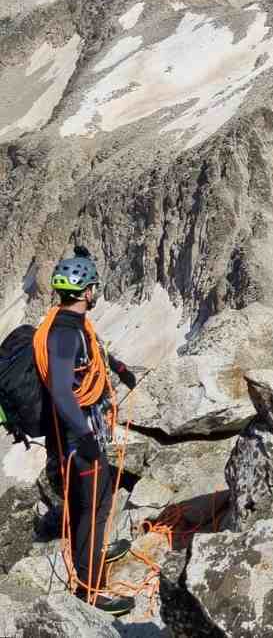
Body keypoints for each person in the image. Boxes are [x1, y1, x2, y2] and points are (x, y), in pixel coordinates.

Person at [35, 248, 138, 616]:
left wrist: (120, 368)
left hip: (84, 433)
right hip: (78, 439)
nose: (96, 293)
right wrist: (86, 438)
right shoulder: (63, 335)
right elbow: (63, 390)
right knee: (92, 506)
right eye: (94, 287)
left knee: (99, 498)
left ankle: (91, 554)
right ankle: (90, 590)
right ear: (86, 291)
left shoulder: (75, 326)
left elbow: (93, 351)